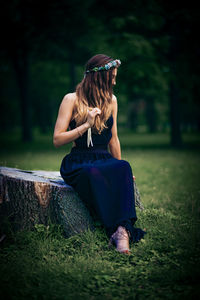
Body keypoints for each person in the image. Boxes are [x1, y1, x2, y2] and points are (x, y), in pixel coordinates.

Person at [53, 54, 146, 255]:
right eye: (111, 77)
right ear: (99, 77)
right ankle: (115, 228)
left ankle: (122, 230)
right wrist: (85, 124)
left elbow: (113, 139)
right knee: (92, 172)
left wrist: (120, 170)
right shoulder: (71, 99)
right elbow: (57, 140)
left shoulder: (111, 100)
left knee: (123, 167)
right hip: (78, 160)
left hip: (104, 158)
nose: (114, 81)